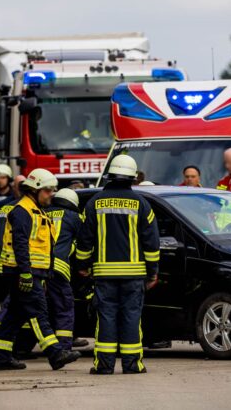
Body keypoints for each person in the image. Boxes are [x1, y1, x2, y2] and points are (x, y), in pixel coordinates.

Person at [0, 169, 81, 371]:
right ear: (35, 189)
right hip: (23, 273)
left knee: (14, 315)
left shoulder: (37, 211)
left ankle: (0, 357)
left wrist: (42, 275)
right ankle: (55, 354)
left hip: (32, 273)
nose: (51, 194)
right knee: (39, 313)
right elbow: (20, 245)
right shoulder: (23, 211)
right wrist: (26, 273)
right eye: (48, 190)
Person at [76, 154, 160, 374]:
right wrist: (153, 273)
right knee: (132, 317)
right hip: (134, 276)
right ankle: (132, 364)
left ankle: (104, 365)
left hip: (104, 275)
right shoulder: (142, 204)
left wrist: (83, 265)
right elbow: (152, 244)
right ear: (133, 177)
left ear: (110, 175)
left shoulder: (94, 203)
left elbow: (84, 240)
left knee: (106, 318)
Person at [45, 188, 83, 350]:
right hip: (58, 269)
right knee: (64, 307)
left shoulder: (42, 212)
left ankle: (20, 346)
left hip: (36, 267)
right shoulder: (74, 217)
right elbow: (85, 242)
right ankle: (64, 347)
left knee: (32, 306)